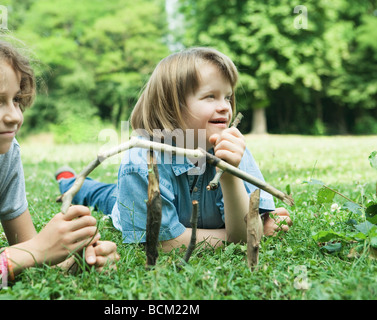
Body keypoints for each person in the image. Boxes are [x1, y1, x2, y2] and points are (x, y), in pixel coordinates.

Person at [0, 29, 119, 288]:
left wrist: (78, 259)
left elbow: (30, 251)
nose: (16, 116)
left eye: (16, 99)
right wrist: (27, 254)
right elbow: (29, 253)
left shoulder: (4, 155)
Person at [57, 47, 292, 252]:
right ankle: (67, 181)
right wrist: (247, 233)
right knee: (105, 196)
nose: (225, 107)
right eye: (210, 96)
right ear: (171, 106)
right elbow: (164, 244)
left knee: (111, 192)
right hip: (130, 200)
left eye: (227, 97)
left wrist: (230, 175)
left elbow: (244, 231)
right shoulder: (142, 161)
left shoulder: (232, 146)